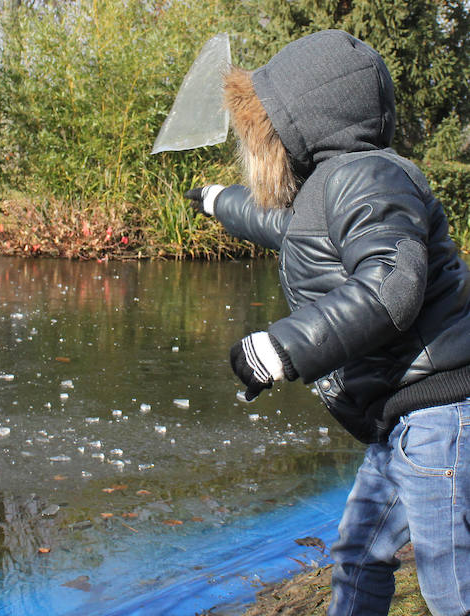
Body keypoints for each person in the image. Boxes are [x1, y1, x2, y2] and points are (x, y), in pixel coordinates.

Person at [184, 30, 470, 616]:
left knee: (450, 581)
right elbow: (285, 228)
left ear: (305, 121)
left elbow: (392, 286)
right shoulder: (326, 187)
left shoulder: (370, 178)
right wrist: (218, 200)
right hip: (403, 419)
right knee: (357, 556)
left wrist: (283, 348)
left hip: (440, 412)